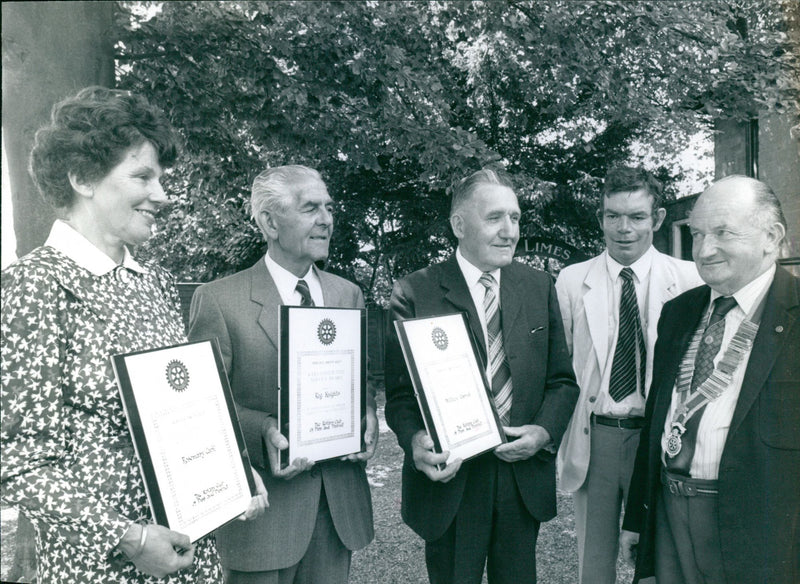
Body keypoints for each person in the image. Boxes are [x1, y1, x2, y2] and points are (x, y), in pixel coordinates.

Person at [1, 86, 266, 584]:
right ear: (81, 177)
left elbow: (184, 407)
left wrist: (232, 470)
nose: (162, 195)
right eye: (143, 175)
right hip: (102, 568)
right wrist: (129, 538)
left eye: (161, 178)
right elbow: (18, 461)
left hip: (190, 553)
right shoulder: (35, 285)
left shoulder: (157, 283)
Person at [384, 168, 579, 584]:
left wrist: (543, 433)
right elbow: (401, 398)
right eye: (495, 218)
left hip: (521, 478)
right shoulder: (416, 292)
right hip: (454, 483)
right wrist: (416, 440)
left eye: (516, 217)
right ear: (459, 225)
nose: (510, 230)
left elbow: (562, 381)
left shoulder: (539, 285)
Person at [188, 165, 377, 584]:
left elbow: (358, 382)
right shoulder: (219, 300)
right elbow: (201, 407)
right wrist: (263, 431)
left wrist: (366, 415)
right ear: (270, 221)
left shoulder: (349, 294)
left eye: (329, 208)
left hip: (336, 511)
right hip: (263, 520)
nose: (326, 219)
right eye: (310, 208)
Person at [620, 175, 800, 583]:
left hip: (759, 528)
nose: (703, 250)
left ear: (771, 237)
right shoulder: (679, 312)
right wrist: (638, 517)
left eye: (722, 233)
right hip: (668, 511)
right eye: (698, 233)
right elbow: (656, 423)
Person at [555, 167, 701, 583]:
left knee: (655, 557)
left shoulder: (690, 280)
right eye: (612, 216)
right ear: (600, 218)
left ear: (657, 219)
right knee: (594, 563)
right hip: (596, 434)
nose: (624, 228)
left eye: (637, 217)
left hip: (658, 439)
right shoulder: (571, 280)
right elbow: (561, 366)